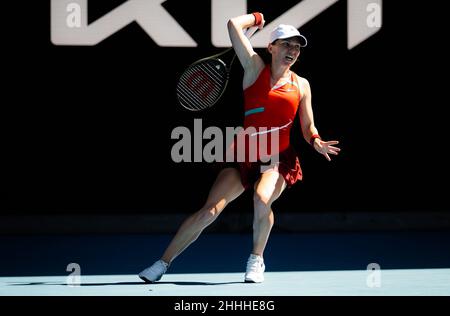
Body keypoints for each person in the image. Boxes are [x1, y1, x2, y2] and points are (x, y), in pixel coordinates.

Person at [139, 12, 340, 283]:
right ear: (271, 47)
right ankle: (162, 263)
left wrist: (315, 141)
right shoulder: (254, 67)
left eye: (296, 46)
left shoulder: (301, 85)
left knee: (261, 198)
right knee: (209, 211)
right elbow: (234, 24)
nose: (292, 50)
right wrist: (257, 17)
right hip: (244, 154)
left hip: (277, 158)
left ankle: (256, 259)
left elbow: (307, 127)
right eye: (286, 44)